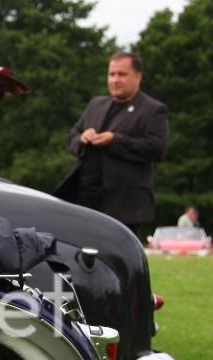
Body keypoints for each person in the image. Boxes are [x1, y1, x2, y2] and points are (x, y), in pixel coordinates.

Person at [55, 52, 169, 242]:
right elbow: (71, 138)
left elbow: (157, 149)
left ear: (138, 76)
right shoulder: (96, 104)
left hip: (124, 205)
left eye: (122, 74)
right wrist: (82, 138)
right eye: (112, 74)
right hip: (85, 199)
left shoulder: (152, 110)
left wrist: (115, 140)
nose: (115, 80)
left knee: (117, 259)